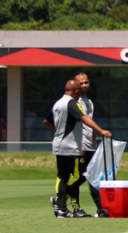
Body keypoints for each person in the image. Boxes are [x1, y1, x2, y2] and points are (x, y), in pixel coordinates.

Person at [45, 79, 112, 218]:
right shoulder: (72, 103)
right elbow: (84, 117)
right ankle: (60, 200)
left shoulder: (58, 103)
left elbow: (46, 121)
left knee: (62, 176)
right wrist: (101, 131)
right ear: (76, 92)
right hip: (70, 146)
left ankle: (62, 211)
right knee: (82, 175)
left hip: (58, 145)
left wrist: (59, 132)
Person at [73, 72, 107, 218]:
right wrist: (78, 143)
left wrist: (94, 141)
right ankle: (69, 204)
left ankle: (100, 209)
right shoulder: (73, 102)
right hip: (78, 146)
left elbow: (89, 124)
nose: (84, 85)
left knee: (93, 176)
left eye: (86, 82)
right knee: (78, 177)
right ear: (75, 84)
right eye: (81, 83)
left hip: (90, 145)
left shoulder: (89, 102)